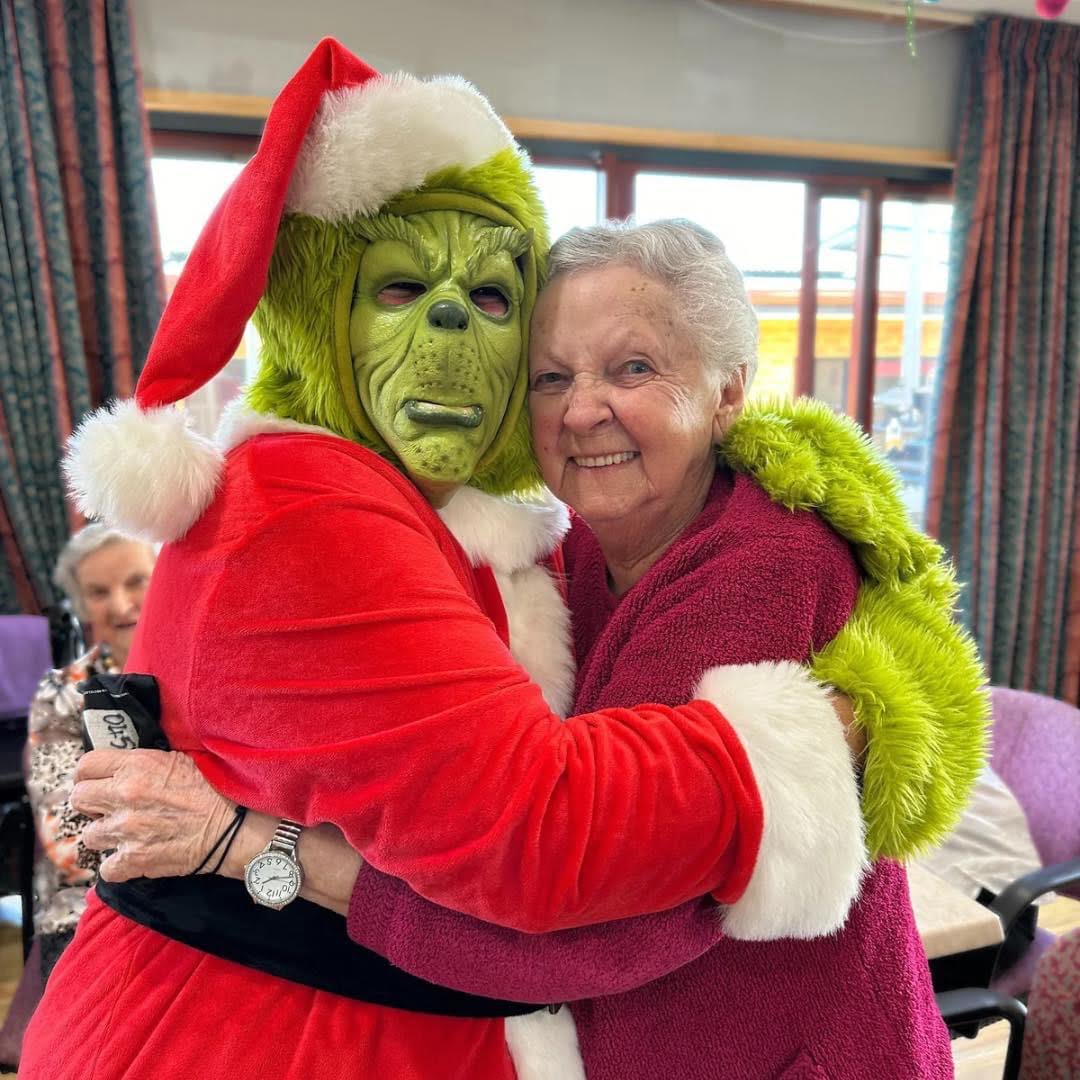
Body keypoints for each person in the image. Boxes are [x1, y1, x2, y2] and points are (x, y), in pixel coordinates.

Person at [24, 41, 982, 1080]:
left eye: (634, 368)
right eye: (552, 373)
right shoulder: (519, 550)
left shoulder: (758, 561)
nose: (582, 410)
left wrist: (248, 848)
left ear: (729, 392)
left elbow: (583, 911)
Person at [25, 525, 155, 978]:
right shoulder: (63, 694)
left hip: (211, 895)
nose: (120, 605)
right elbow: (68, 845)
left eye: (137, 580)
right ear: (82, 608)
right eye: (98, 592)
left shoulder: (209, 677)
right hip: (93, 903)